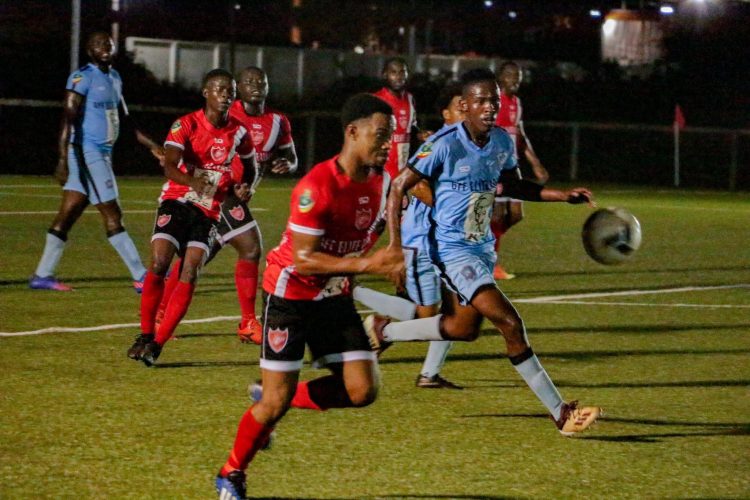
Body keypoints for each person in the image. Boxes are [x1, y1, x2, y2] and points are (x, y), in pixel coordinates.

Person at [366, 68, 602, 436]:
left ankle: (386, 331)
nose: (490, 106)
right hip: (451, 251)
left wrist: (560, 195)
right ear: (465, 105)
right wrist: (395, 246)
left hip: (480, 249)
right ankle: (561, 413)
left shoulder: (502, 143)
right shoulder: (444, 143)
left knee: (462, 328)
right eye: (481, 100)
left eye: (494, 99)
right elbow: (398, 186)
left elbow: (511, 185)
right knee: (510, 323)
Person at [215, 94, 403, 500]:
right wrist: (370, 266)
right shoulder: (316, 186)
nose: (389, 143)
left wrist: (395, 261)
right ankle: (231, 472)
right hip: (290, 298)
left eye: (391, 136)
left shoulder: (382, 180)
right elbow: (303, 261)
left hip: (333, 298)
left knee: (361, 391)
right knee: (275, 405)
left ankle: (269, 395)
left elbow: (374, 231)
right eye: (381, 134)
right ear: (353, 132)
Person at [156, 66, 298, 344]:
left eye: (261, 80)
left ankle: (161, 312)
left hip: (236, 194)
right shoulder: (227, 113)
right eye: (248, 82)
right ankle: (247, 322)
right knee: (250, 246)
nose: (255, 85)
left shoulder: (279, 121)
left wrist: (287, 164)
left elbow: (292, 158)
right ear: (238, 90)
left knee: (195, 260)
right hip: (216, 192)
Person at [126, 69, 256, 366]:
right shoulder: (185, 124)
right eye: (220, 89)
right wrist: (193, 182)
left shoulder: (239, 132)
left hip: (209, 211)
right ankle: (146, 334)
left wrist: (244, 186)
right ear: (206, 92)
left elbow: (249, 166)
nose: (226, 95)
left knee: (191, 271)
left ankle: (157, 345)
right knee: (159, 262)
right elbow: (169, 166)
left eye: (231, 91)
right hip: (177, 199)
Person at [352, 82, 466, 389]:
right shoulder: (438, 143)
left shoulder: (468, 145)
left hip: (444, 243)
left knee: (453, 310)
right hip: (422, 241)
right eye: (461, 105)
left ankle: (429, 373)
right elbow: (414, 184)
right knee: (428, 314)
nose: (469, 109)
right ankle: (354, 296)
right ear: (446, 113)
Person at [29, 31, 162, 292]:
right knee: (113, 213)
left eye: (109, 44)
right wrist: (62, 160)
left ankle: (42, 275)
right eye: (99, 44)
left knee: (68, 214)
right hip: (87, 154)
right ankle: (141, 277)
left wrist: (153, 146)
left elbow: (126, 120)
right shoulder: (82, 78)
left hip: (102, 154)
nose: (105, 47)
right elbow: (67, 121)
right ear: (89, 50)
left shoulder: (114, 77)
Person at [490, 61, 550, 280]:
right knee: (496, 215)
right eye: (511, 75)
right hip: (493, 166)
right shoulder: (492, 101)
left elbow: (520, 134)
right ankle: (490, 263)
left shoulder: (516, 103)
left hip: (511, 165)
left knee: (515, 214)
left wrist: (535, 163)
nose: (515, 80)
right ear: (500, 77)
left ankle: (484, 245)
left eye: (519, 76)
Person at [373, 57, 419, 181]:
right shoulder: (377, 99)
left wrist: (422, 134)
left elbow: (412, 129)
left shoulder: (410, 99)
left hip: (404, 170)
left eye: (402, 72)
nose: (398, 77)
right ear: (385, 74)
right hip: (382, 171)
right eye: (393, 72)